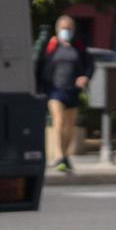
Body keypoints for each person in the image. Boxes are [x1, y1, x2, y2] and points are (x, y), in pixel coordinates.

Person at [37, 14, 94, 173]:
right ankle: (58, 155)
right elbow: (40, 66)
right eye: (63, 29)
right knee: (59, 120)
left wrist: (85, 77)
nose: (66, 31)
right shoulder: (50, 47)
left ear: (73, 30)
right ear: (57, 29)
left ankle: (65, 156)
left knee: (69, 126)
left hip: (72, 90)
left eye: (68, 29)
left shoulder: (79, 47)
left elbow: (90, 66)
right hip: (54, 90)